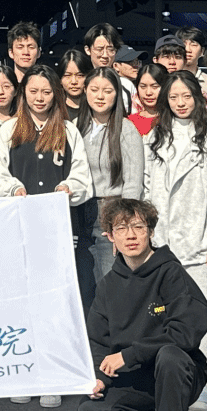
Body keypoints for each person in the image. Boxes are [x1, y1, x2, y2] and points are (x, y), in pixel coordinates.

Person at [78, 196, 207, 411]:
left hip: (179, 372)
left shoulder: (170, 272)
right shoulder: (108, 286)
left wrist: (130, 355)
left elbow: (188, 330)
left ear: (150, 231)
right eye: (121, 228)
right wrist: (99, 377)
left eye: (138, 227)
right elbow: (98, 340)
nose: (131, 235)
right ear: (110, 236)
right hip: (137, 377)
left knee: (169, 356)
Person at [0, 64, 93, 407]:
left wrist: (68, 187)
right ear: (24, 94)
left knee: (54, 303)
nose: (39, 98)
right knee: (20, 302)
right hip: (17, 229)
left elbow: (82, 176)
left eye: (47, 92)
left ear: (56, 95)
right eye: (33, 91)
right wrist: (13, 188)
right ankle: (22, 373)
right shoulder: (7, 131)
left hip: (57, 230)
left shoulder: (68, 130)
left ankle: (52, 375)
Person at [140, 70, 207, 411]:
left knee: (200, 320)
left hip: (199, 244)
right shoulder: (153, 139)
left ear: (198, 99)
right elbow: (145, 190)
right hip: (161, 245)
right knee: (160, 320)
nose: (180, 103)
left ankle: (206, 389)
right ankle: (163, 387)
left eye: (186, 96)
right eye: (174, 97)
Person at [80, 67, 144, 282]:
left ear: (117, 94)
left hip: (111, 211)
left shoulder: (126, 129)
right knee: (85, 283)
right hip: (81, 212)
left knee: (108, 280)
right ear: (85, 91)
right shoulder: (77, 127)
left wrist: (123, 225)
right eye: (94, 90)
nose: (100, 96)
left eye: (107, 91)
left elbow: (133, 182)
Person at [128, 62, 167, 137]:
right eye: (143, 86)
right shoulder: (130, 122)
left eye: (154, 87)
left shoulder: (175, 119)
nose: (148, 93)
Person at [56, 49, 90, 118]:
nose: (74, 82)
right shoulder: (54, 110)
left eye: (80, 75)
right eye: (67, 75)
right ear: (60, 79)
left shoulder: (96, 110)